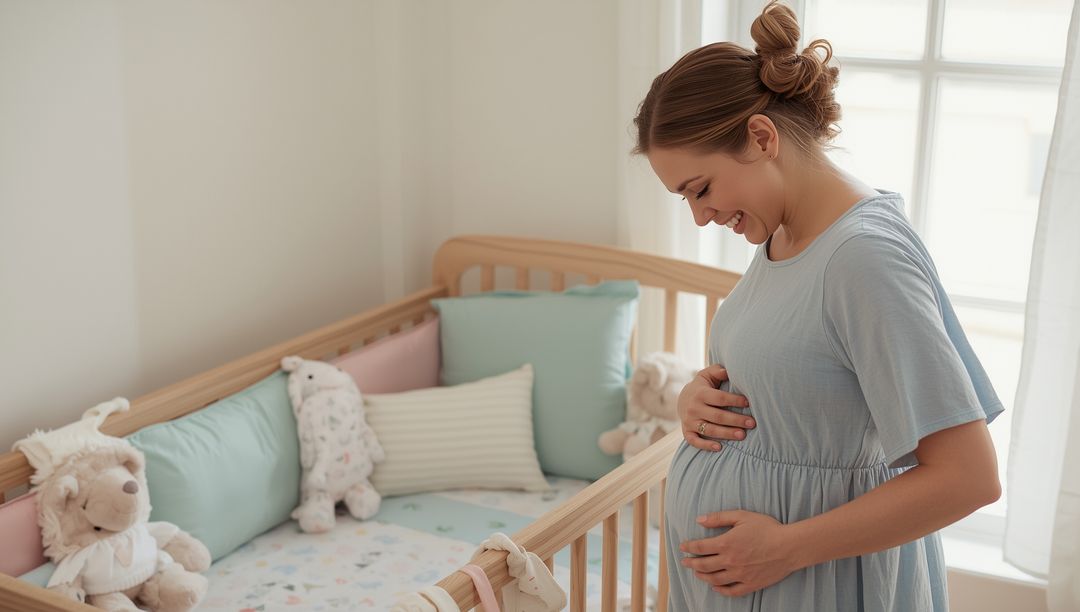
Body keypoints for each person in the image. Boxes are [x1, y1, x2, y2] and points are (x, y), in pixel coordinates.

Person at [630, 1, 1005, 610]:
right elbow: (809, 376)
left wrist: (787, 547)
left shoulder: (863, 258)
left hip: (814, 584)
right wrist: (698, 398)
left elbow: (968, 478)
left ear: (760, 137)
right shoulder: (785, 230)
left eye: (701, 189)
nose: (699, 217)